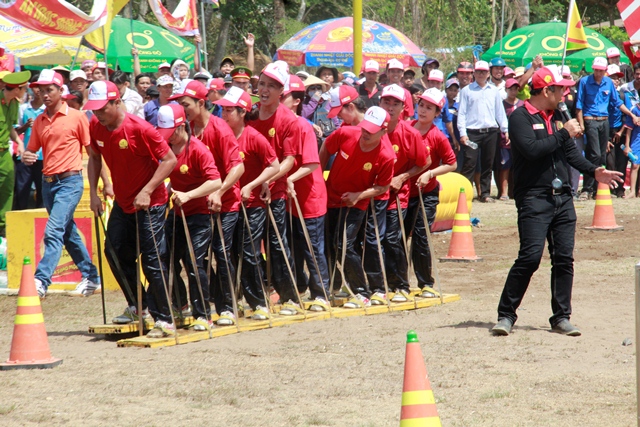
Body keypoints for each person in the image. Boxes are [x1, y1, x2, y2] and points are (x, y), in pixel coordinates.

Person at [491, 65, 623, 337]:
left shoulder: (559, 114)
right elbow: (532, 150)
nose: (565, 92)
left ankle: (561, 317)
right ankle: (506, 315)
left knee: (563, 258)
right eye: (560, 88)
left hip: (563, 197)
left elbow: (569, 155)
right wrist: (564, 133)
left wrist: (594, 170)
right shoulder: (520, 117)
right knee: (529, 258)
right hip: (534, 198)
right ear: (546, 90)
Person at [86, 80, 178, 337]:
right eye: (94, 110)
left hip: (151, 204)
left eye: (102, 109)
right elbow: (94, 157)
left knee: (152, 260)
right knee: (114, 252)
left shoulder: (140, 129)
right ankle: (138, 306)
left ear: (117, 102)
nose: (98, 114)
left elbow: (169, 160)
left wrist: (148, 190)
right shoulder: (96, 125)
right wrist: (94, 192)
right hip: (123, 202)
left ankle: (165, 319)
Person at [22, 70, 101, 298]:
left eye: (49, 90)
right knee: (67, 233)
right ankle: (91, 276)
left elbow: (93, 154)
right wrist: (28, 156)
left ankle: (41, 280)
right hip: (48, 183)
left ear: (60, 90)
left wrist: (102, 185)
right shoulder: (39, 120)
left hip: (70, 182)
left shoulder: (77, 117)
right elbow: (32, 151)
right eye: (41, 90)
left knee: (54, 230)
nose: (44, 94)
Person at [172, 79, 244, 326]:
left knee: (222, 253)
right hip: (196, 204)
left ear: (201, 103)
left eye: (186, 104)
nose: (183, 109)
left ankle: (228, 307)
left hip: (225, 201)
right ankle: (202, 303)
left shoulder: (220, 129)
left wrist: (219, 192)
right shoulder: (187, 129)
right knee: (193, 257)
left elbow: (238, 166)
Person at [319, 106, 395, 309]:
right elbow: (327, 146)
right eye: (364, 128)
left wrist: (359, 196)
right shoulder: (346, 133)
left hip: (356, 203)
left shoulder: (386, 156)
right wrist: (318, 174)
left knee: (344, 243)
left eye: (371, 131)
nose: (365, 134)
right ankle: (336, 287)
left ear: (383, 131)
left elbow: (383, 187)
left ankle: (361, 292)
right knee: (330, 245)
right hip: (331, 197)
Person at [215, 87, 279, 320]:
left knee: (250, 252)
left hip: (252, 205)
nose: (224, 114)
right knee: (227, 253)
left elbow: (274, 166)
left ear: (243, 112)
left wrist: (253, 185)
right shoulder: (220, 134)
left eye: (229, 110)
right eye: (222, 109)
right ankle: (232, 302)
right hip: (228, 204)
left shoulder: (254, 137)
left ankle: (259, 302)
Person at [158, 104, 222, 331]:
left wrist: (189, 195)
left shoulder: (198, 149)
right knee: (165, 258)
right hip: (176, 213)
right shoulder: (165, 147)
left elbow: (216, 181)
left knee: (194, 263)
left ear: (182, 126)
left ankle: (203, 315)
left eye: (171, 133)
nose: (169, 139)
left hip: (199, 215)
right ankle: (179, 305)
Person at [248, 62, 302, 315]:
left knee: (276, 245)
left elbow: (289, 160)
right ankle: (256, 296)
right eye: (262, 84)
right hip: (247, 192)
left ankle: (290, 296)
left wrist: (268, 181)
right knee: (245, 245)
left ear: (282, 91)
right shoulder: (248, 114)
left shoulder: (288, 120)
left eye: (272, 86)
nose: (265, 90)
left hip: (274, 192)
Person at [282, 75, 331, 312]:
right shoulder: (282, 123)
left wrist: (289, 178)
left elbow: (311, 163)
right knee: (293, 247)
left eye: (283, 96)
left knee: (313, 248)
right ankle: (297, 289)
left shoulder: (302, 126)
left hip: (309, 197)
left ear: (296, 100)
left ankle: (321, 293)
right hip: (289, 197)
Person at [378, 85, 429, 303]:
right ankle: (378, 284)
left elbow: (424, 162)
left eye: (395, 103)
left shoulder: (410, 133)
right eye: (386, 102)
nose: (390, 107)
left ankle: (401, 285)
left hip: (398, 195)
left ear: (403, 107)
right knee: (373, 240)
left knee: (392, 238)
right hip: (371, 195)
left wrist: (402, 178)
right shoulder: (370, 128)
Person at [410, 88, 457, 298]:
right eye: (421, 105)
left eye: (429, 108)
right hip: (402, 193)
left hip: (426, 194)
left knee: (421, 236)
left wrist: (430, 174)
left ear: (438, 112)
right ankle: (398, 283)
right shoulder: (405, 127)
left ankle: (426, 283)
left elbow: (452, 163)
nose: (423, 110)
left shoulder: (438, 137)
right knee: (396, 237)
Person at [576, 57, 637, 200]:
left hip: (605, 122)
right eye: (596, 70)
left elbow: (617, 102)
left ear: (605, 71)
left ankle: (598, 188)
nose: (598, 73)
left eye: (600, 70)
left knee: (602, 155)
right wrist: (582, 124)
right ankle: (587, 188)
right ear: (593, 69)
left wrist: (631, 115)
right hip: (590, 120)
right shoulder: (584, 82)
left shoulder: (608, 83)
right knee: (595, 154)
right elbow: (579, 105)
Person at [457, 60, 509, 202]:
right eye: (478, 71)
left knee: (488, 163)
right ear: (474, 73)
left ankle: (485, 194)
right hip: (472, 131)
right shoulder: (466, 90)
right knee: (469, 163)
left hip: (491, 131)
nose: (481, 74)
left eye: (484, 71)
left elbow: (500, 112)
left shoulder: (493, 91)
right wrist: (463, 133)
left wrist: (505, 129)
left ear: (488, 73)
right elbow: (461, 113)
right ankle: (465, 194)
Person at [0, 70, 30, 236]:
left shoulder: (14, 103)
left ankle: (3, 228)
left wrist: (19, 143)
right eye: (25, 89)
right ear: (17, 89)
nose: (26, 92)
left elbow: (10, 127)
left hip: (5, 153)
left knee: (8, 189)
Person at [14, 74, 45, 210]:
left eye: (40, 87)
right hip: (26, 155)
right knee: (22, 189)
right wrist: (26, 126)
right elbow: (15, 132)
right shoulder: (23, 108)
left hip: (44, 156)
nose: (38, 90)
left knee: (42, 190)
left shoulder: (47, 109)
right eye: (35, 87)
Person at [499, 78, 524, 200]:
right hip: (505, 140)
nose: (513, 91)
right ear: (506, 90)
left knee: (518, 166)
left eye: (515, 89)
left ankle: (516, 191)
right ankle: (503, 192)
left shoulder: (522, 104)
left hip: (520, 140)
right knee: (505, 166)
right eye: (510, 89)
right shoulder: (502, 104)